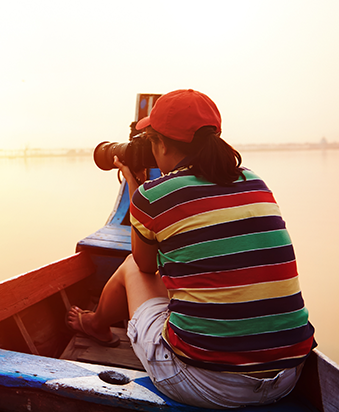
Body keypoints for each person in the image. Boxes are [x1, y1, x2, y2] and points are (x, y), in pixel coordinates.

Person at [66, 89, 315, 408]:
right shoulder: (254, 181)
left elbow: (144, 265)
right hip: (288, 377)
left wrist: (134, 184)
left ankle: (96, 325)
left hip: (207, 384)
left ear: (161, 144)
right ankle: (105, 323)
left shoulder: (154, 196)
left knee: (131, 265)